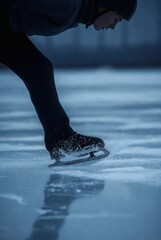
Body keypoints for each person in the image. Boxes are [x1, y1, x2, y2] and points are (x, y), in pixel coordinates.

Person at [0, 0, 137, 163]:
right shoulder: (67, 5)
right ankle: (61, 139)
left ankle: (61, 139)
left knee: (39, 69)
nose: (113, 26)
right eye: (117, 18)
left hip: (7, 29)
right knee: (38, 69)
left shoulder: (75, 11)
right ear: (105, 4)